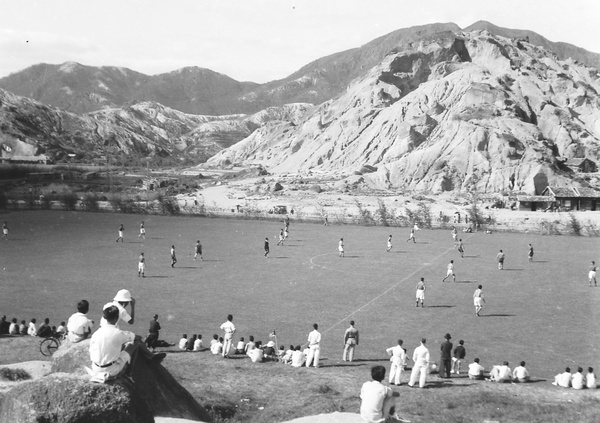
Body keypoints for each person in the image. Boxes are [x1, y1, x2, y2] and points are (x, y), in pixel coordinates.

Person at [88, 304, 165, 383]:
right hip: (112, 370)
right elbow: (137, 338)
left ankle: (149, 358)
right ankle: (130, 373)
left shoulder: (96, 333)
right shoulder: (118, 333)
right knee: (136, 343)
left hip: (96, 368)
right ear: (117, 317)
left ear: (104, 317)